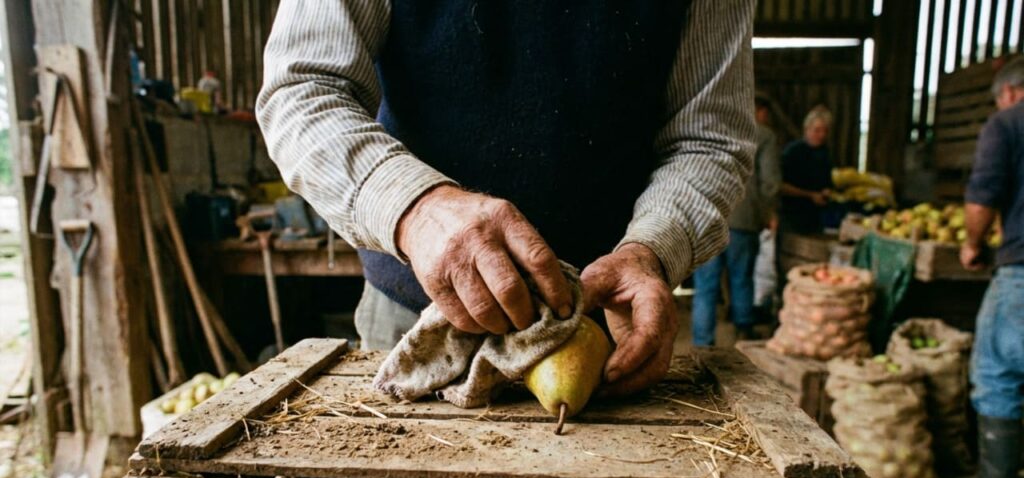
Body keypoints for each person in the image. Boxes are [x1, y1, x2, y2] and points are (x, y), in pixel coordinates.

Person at [257, 2, 756, 398]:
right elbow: (302, 87)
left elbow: (709, 140)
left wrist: (652, 248)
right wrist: (419, 210)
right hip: (420, 322)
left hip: (601, 329)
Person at [952, 57, 1024, 478]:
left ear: (1011, 92)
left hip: (1021, 268)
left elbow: (983, 196)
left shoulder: (1008, 123)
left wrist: (972, 245)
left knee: (997, 366)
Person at [691, 95, 779, 345]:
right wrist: (767, 213)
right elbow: (770, 182)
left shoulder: (708, 131)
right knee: (742, 277)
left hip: (706, 220)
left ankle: (702, 344)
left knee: (706, 286)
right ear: (759, 111)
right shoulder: (764, 135)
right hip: (743, 219)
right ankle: (743, 331)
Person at [779, 106, 833, 234]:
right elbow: (780, 186)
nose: (821, 135)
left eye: (825, 131)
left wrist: (826, 191)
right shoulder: (792, 152)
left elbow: (827, 181)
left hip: (815, 217)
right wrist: (810, 195)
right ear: (807, 129)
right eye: (817, 130)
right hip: (792, 217)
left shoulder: (824, 153)